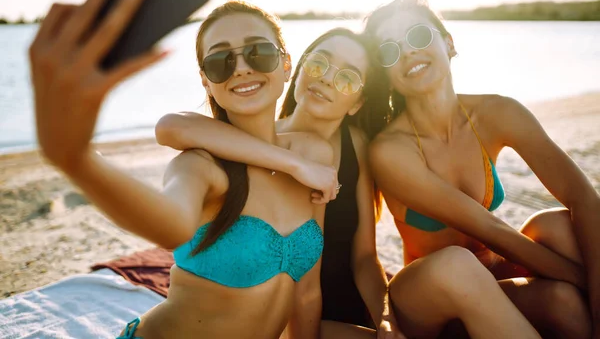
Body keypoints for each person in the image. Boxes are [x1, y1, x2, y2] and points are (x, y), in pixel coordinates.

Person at [155, 27, 541, 339]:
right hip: (289, 318)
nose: (326, 80)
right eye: (319, 64)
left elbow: (364, 257)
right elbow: (175, 126)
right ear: (298, 68)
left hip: (354, 306)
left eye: (347, 78)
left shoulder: (354, 145)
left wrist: (386, 318)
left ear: (357, 102)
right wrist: (293, 165)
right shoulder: (257, 139)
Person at [29, 0, 340, 339]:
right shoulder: (201, 166)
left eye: (258, 53)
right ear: (207, 82)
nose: (241, 68)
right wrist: (74, 158)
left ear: (286, 64)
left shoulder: (314, 156)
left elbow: (307, 294)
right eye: (220, 60)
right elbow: (171, 224)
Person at [364, 0, 600, 338]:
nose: (408, 52)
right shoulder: (391, 150)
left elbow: (584, 198)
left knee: (558, 241)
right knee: (457, 265)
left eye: (417, 35)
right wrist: (587, 279)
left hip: (494, 275)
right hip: (430, 297)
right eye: (390, 50)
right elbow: (491, 230)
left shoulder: (498, 113)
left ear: (449, 43)